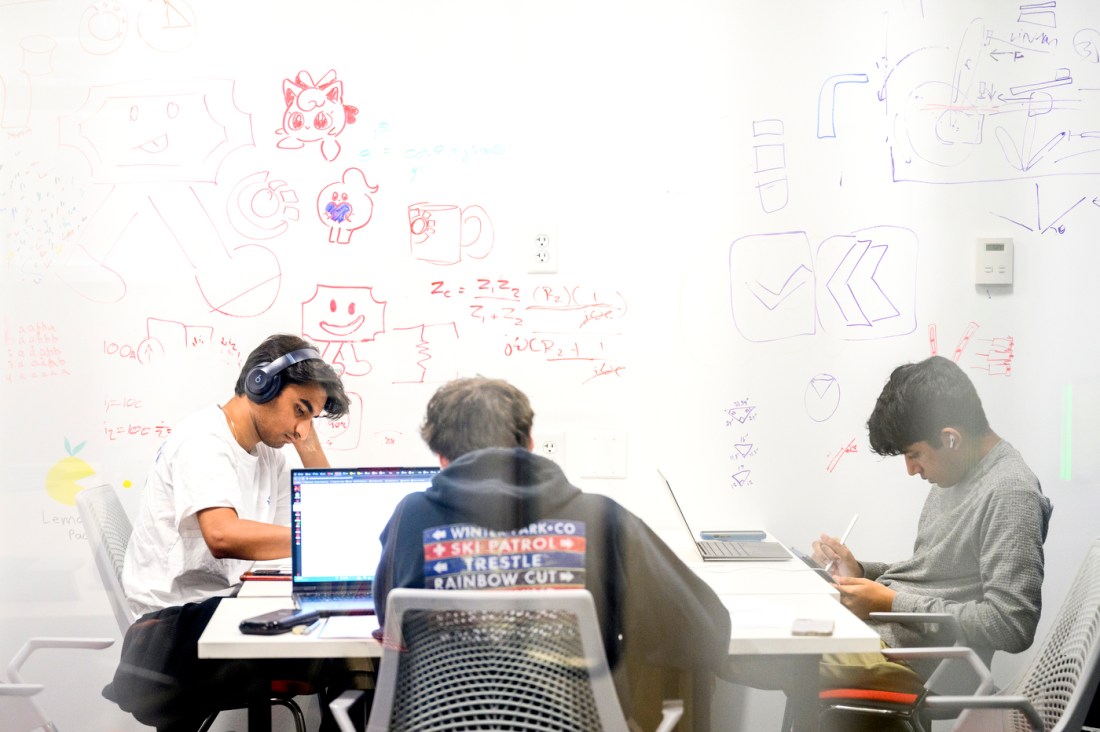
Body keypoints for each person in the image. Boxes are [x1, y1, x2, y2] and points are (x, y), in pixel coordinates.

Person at [372, 376, 732, 729]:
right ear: (529, 442)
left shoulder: (411, 516)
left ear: (442, 457)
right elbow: (699, 633)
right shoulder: (600, 517)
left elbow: (390, 621)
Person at [105, 333, 352, 732]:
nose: (302, 428)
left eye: (312, 418)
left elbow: (328, 509)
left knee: (346, 640)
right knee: (344, 646)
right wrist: (319, 541)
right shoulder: (204, 440)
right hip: (168, 633)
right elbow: (223, 536)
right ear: (261, 384)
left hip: (216, 606)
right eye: (299, 410)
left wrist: (307, 438)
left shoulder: (268, 448)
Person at [811, 354, 1053, 690]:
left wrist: (890, 602)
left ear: (951, 438)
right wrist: (862, 573)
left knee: (789, 655)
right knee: (785, 630)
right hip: (889, 640)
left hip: (919, 665)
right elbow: (932, 573)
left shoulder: (1011, 493)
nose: (911, 470)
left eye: (913, 455)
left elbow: (1011, 625)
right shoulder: (956, 472)